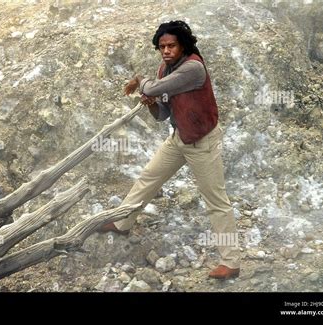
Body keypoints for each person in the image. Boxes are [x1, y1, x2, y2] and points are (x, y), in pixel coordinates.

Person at [99, 20, 240, 280]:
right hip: (179, 138)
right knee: (149, 177)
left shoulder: (193, 68)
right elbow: (162, 114)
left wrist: (141, 81)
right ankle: (122, 222)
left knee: (216, 202)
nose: (165, 50)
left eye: (171, 45)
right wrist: (151, 103)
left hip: (202, 142)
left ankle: (231, 262)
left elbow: (151, 86)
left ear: (183, 45)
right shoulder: (165, 69)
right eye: (162, 46)